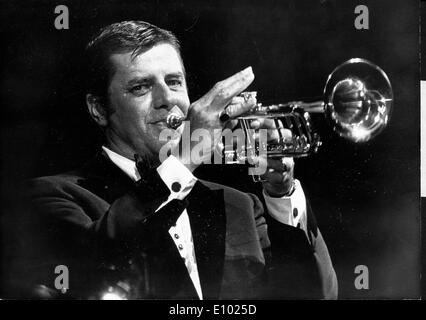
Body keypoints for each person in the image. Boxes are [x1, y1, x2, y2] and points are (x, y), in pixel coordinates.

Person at [7, 20, 337, 299]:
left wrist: (280, 193)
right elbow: (98, 267)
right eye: (140, 87)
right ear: (99, 109)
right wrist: (185, 159)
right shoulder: (50, 195)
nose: (167, 100)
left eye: (174, 82)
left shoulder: (241, 206)